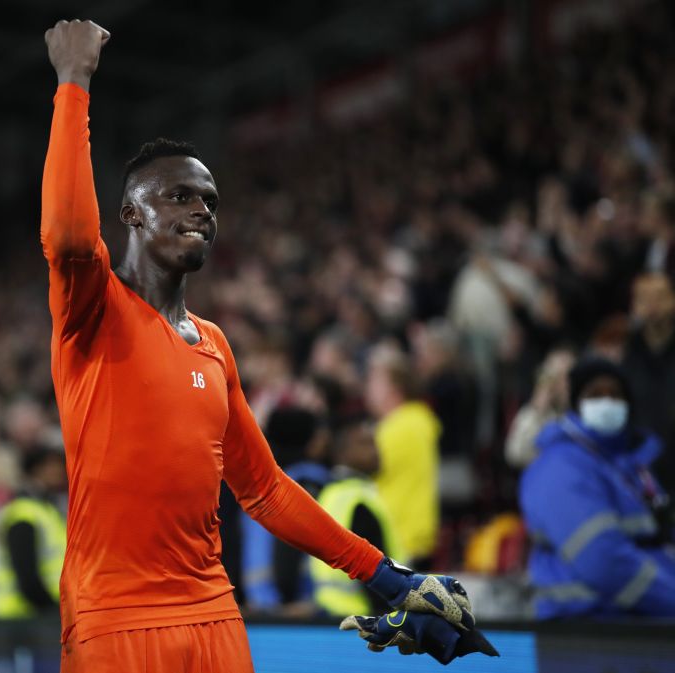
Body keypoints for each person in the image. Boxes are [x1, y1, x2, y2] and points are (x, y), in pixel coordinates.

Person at [41, 20, 474, 673]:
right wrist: (73, 84)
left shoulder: (213, 344)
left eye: (210, 202)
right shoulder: (94, 306)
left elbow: (265, 487)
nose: (201, 212)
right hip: (117, 620)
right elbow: (68, 234)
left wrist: (384, 574)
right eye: (179, 196)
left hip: (215, 612)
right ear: (130, 212)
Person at [520, 357, 675, 618]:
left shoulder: (633, 465)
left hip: (635, 625)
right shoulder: (560, 466)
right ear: (578, 403)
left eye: (615, 395)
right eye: (596, 395)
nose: (607, 403)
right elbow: (603, 560)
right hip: (586, 633)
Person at [238, 407, 333, 612]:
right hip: (295, 609)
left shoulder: (254, 483)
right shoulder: (309, 482)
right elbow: (290, 544)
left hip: (256, 606)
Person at [311, 418, 403, 618]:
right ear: (342, 453)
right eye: (365, 444)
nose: (376, 451)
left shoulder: (331, 493)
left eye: (375, 443)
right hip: (364, 619)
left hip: (329, 614)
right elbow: (374, 570)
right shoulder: (358, 500)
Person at [362, 342, 441, 567]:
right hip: (409, 538)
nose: (367, 388)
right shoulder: (416, 420)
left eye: (374, 381)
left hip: (401, 539)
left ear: (394, 387)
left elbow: (361, 466)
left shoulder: (401, 426)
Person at [0, 447, 67, 618]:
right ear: (36, 470)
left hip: (36, 615)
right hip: (21, 617)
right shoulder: (23, 514)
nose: (60, 471)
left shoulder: (48, 511)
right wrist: (55, 612)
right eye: (53, 466)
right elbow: (28, 578)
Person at [623, 271, 675, 494]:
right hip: (640, 471)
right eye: (644, 298)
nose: (652, 306)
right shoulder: (624, 354)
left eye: (659, 297)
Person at [505, 348, 575, 469]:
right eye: (555, 376)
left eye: (565, 377)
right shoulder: (534, 412)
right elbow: (515, 454)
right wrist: (537, 412)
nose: (561, 384)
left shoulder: (582, 413)